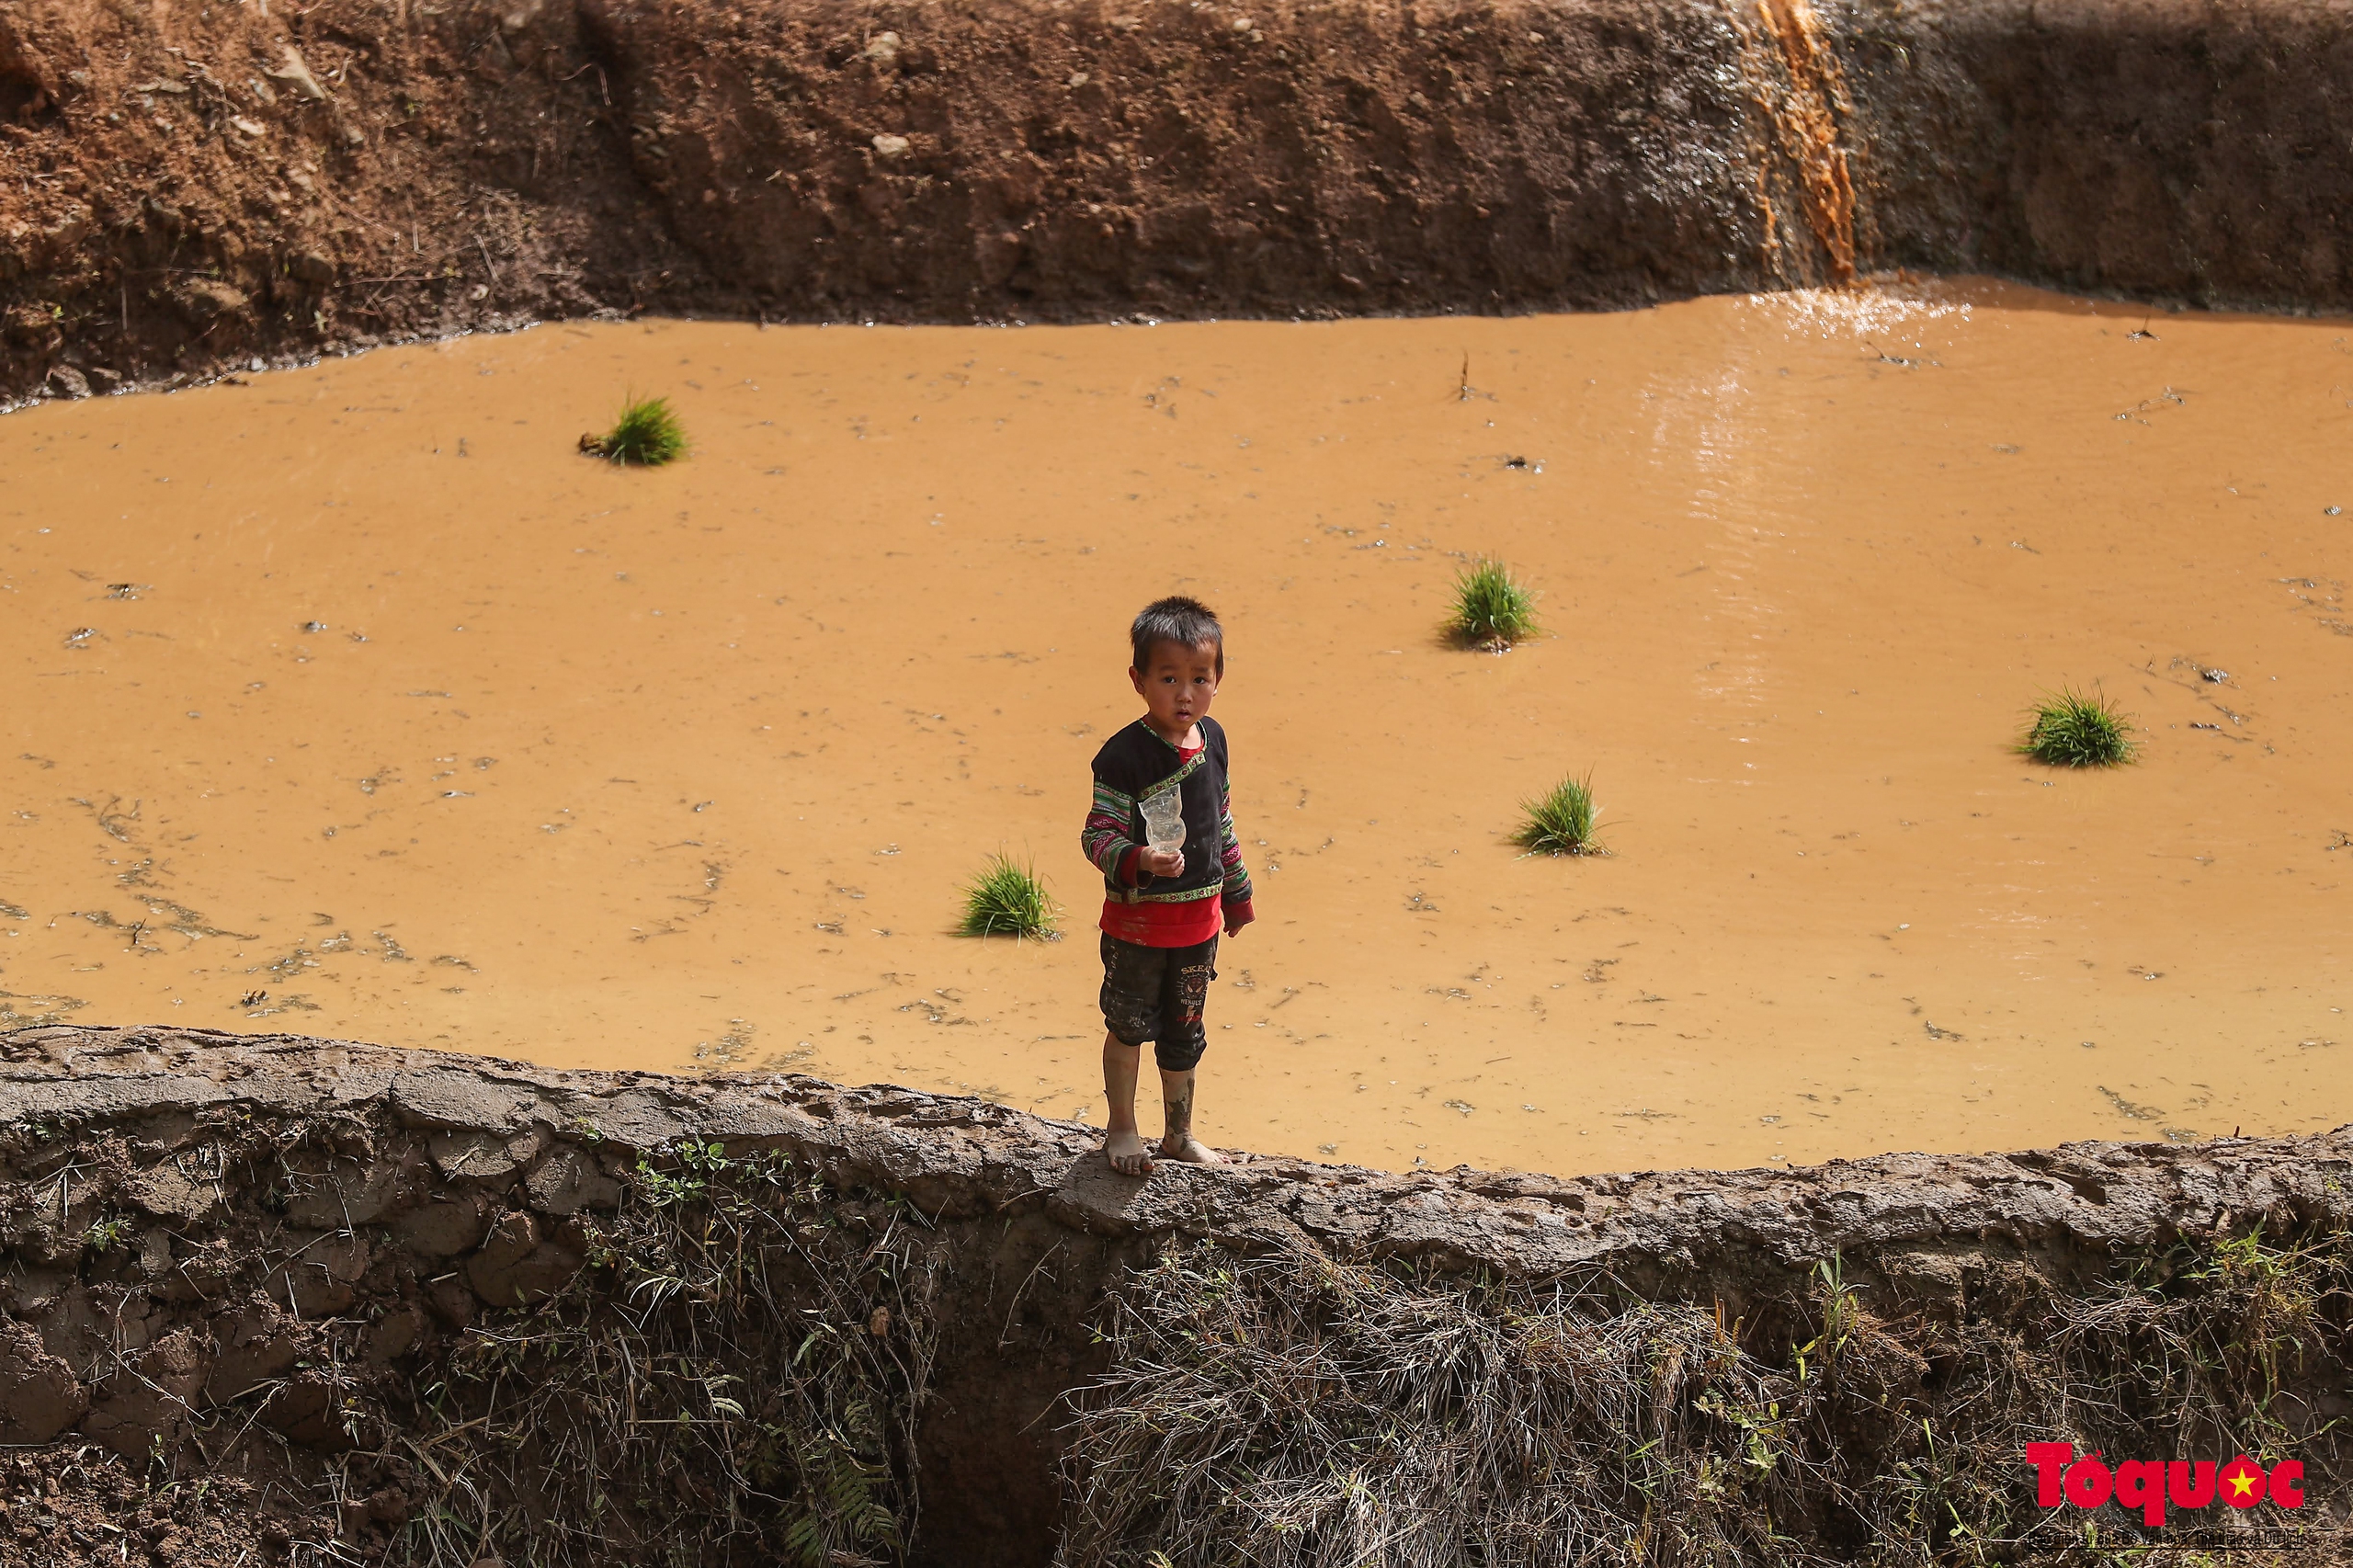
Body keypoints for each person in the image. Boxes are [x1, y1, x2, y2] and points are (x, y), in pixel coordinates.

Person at [1080, 596, 1256, 1176]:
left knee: (1185, 1033)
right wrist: (1139, 860)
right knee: (1129, 1025)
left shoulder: (1214, 741)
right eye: (1169, 678)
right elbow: (1096, 835)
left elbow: (1220, 821)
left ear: (1218, 679)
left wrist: (1236, 891)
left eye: (1199, 679)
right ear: (1139, 681)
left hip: (1197, 926)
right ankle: (1122, 1129)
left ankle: (1178, 1134)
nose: (1185, 694)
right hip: (1137, 926)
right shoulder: (1123, 756)